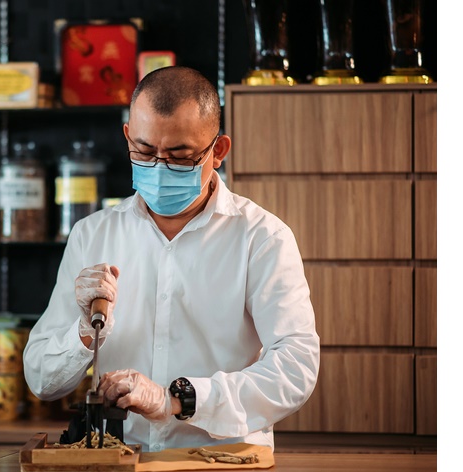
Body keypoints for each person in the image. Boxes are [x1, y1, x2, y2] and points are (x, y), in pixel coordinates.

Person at [23, 66, 319, 452]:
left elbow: (296, 368)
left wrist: (177, 400)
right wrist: (82, 333)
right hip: (117, 462)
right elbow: (42, 379)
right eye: (145, 151)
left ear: (218, 151)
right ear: (128, 136)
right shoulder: (93, 235)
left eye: (180, 156)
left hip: (221, 462)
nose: (159, 167)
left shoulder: (261, 237)